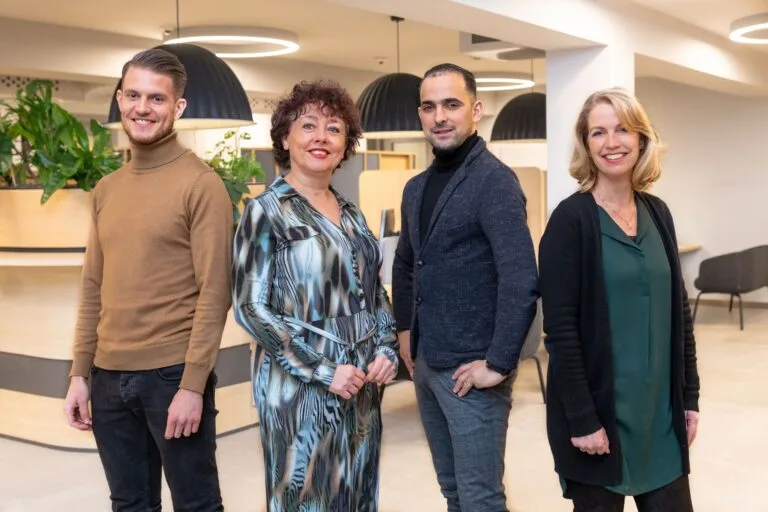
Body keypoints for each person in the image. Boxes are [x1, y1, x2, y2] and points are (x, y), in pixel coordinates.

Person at [63, 48, 232, 511]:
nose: (143, 108)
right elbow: (93, 287)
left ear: (178, 106)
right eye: (133, 95)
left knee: (197, 505)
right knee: (130, 505)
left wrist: (193, 384)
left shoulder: (201, 185)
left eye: (157, 98)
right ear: (119, 99)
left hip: (171, 375)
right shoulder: (106, 190)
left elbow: (215, 292)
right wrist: (79, 373)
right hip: (107, 377)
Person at [231, 80, 399, 512]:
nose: (321, 137)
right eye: (308, 125)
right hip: (300, 387)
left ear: (346, 146)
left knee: (357, 491)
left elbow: (374, 292)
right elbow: (250, 307)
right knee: (305, 496)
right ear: (285, 138)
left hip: (361, 381)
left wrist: (386, 347)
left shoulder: (352, 213)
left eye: (334, 128)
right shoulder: (265, 211)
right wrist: (324, 371)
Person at [538, 87, 701, 511]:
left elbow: (679, 314)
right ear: (586, 144)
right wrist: (582, 419)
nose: (612, 142)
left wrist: (689, 397)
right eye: (598, 132)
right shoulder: (570, 221)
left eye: (623, 130)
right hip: (600, 420)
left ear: (642, 139)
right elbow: (561, 332)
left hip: (660, 417)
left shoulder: (657, 212)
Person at [391, 63, 539, 511]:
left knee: (480, 498)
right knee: (453, 490)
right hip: (426, 362)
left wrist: (498, 363)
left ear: (476, 110)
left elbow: (520, 276)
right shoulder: (416, 187)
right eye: (429, 107)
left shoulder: (494, 181)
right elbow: (406, 263)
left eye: (451, 104)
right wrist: (404, 332)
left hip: (472, 371)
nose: (439, 117)